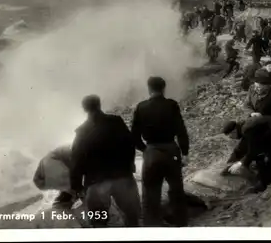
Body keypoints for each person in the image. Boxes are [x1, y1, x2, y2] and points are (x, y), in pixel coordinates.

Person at [70, 95, 140, 227]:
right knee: (132, 218)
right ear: (99, 104)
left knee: (99, 223)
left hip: (96, 182)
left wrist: (77, 187)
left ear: (84, 109)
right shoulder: (116, 121)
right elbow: (130, 143)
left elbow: (76, 160)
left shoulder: (82, 132)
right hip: (122, 177)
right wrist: (131, 163)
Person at [131, 77, 190, 227]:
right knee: (176, 188)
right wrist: (185, 152)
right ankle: (180, 223)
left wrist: (145, 150)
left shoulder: (141, 107)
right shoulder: (171, 105)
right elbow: (181, 130)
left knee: (150, 192)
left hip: (151, 151)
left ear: (149, 89)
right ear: (164, 88)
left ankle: (152, 225)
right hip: (171, 150)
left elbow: (133, 136)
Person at [221, 116, 271, 193]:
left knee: (263, 160)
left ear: (234, 131)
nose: (231, 138)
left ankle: (266, 184)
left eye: (231, 136)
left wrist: (240, 163)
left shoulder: (248, 129)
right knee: (259, 159)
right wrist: (229, 163)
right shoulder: (245, 126)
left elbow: (254, 150)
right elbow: (241, 147)